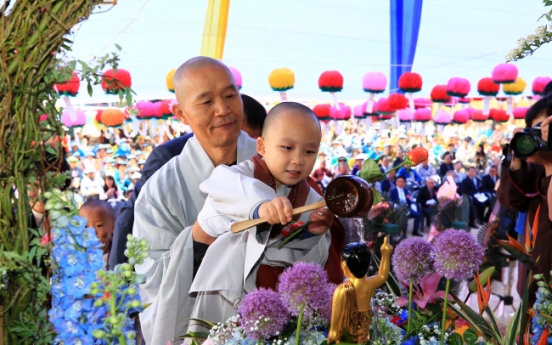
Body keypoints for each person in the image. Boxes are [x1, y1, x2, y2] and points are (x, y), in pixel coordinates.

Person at [131, 57, 259, 345]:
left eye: (230, 95)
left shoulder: (274, 164)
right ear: (181, 113)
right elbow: (152, 280)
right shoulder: (159, 192)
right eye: (206, 102)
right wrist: (198, 239)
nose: (223, 110)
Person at [189, 102, 343, 326]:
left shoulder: (313, 199)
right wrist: (261, 206)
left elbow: (304, 261)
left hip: (283, 306)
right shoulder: (241, 177)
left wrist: (312, 235)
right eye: (287, 148)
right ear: (261, 147)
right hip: (231, 301)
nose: (298, 160)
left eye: (309, 151)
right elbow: (220, 186)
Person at [109, 94, 268, 270]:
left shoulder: (265, 157)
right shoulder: (169, 157)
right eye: (247, 135)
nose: (253, 145)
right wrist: (119, 278)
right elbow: (129, 216)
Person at [497, 97, 552, 308]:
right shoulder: (537, 165)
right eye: (534, 132)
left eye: (543, 129)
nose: (541, 138)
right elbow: (513, 200)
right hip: (535, 277)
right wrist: (517, 157)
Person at [327, 240, 393, 344]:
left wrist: (332, 334)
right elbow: (383, 276)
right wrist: (385, 254)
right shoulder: (369, 284)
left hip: (346, 335)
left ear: (344, 264)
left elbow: (335, 322)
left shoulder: (342, 290)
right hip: (363, 332)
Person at [79, 199, 116, 266]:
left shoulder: (119, 255)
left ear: (113, 227)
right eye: (85, 227)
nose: (91, 232)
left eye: (99, 225)